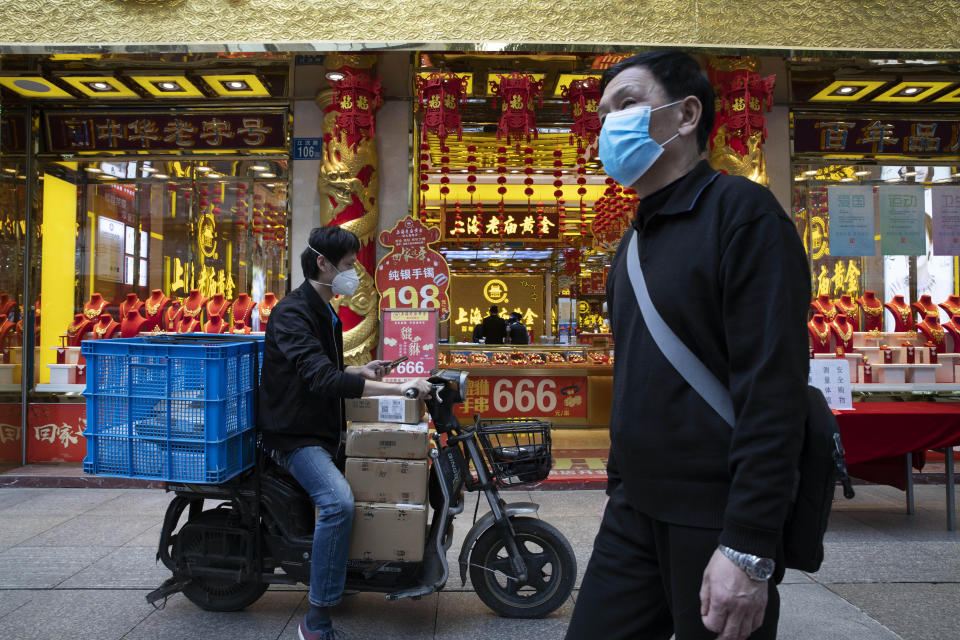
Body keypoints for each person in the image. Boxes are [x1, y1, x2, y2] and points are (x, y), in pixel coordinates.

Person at [565, 51, 808, 640]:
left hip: (715, 518)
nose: (609, 126)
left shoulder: (743, 217)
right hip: (633, 514)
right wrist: (618, 487)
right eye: (602, 115)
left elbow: (773, 392)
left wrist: (748, 545)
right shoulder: (634, 241)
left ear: (686, 114)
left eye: (627, 104)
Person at [258, 226, 431, 640]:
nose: (354, 274)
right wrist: (397, 388)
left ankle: (352, 570)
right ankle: (316, 620)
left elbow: (328, 372)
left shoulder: (325, 310)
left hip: (323, 429)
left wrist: (361, 371)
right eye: (350, 265)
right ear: (324, 263)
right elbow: (319, 379)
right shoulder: (293, 312)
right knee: (337, 503)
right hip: (293, 438)